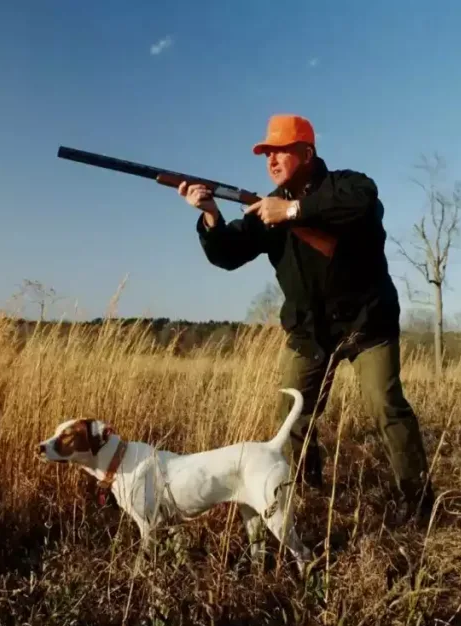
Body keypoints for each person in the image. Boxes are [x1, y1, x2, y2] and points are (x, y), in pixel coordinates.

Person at [178, 113, 435, 527]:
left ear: (307, 152)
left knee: (386, 406)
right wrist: (210, 214)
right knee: (291, 416)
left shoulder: (348, 187)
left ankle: (418, 501)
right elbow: (228, 254)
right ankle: (307, 491)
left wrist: (293, 210)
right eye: (266, 153)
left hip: (367, 325)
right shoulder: (265, 209)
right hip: (309, 332)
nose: (271, 160)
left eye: (279, 150)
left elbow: (363, 204)